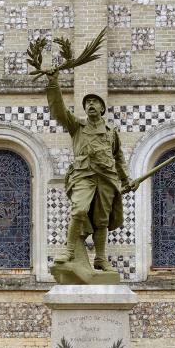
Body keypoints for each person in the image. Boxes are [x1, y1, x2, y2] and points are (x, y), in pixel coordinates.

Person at [46, 70, 136, 271]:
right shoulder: (77, 126)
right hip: (83, 176)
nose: (91, 105)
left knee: (101, 221)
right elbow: (59, 110)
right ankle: (70, 250)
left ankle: (101, 258)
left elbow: (118, 157)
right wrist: (53, 83)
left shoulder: (111, 132)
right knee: (79, 210)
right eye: (88, 103)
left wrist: (126, 179)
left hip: (106, 179)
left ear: (102, 108)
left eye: (95, 102)